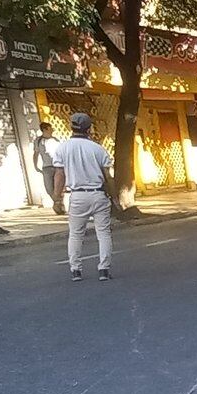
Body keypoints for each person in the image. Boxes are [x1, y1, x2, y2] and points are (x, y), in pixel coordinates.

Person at [53, 111, 113, 281]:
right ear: (89, 128)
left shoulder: (63, 148)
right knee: (103, 233)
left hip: (78, 196)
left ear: (71, 127)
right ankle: (104, 269)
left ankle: (76, 270)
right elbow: (108, 176)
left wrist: (57, 198)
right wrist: (114, 196)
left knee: (76, 234)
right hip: (98, 194)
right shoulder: (97, 148)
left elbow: (59, 174)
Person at [32, 125, 64, 214]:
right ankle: (57, 202)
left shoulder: (56, 140)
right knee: (49, 188)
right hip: (46, 167)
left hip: (58, 166)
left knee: (59, 187)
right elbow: (36, 153)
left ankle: (59, 205)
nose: (52, 129)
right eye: (50, 128)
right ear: (45, 129)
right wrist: (35, 165)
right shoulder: (38, 141)